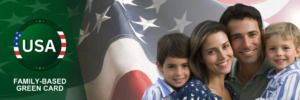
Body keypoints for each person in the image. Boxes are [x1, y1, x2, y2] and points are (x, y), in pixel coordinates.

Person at [219, 3, 272, 100]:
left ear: (263, 34)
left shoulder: (283, 70)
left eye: (252, 34)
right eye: (237, 37)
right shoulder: (220, 72)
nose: (247, 44)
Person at [175, 20, 236, 100]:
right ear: (201, 57)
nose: (223, 56)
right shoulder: (194, 91)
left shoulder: (231, 91)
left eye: (225, 46)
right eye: (212, 51)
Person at [256, 22, 300, 99]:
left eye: (285, 48)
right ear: (265, 53)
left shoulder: (294, 76)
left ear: (297, 52)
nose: (279, 53)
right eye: (272, 49)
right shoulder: (278, 75)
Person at [142, 33, 191, 100]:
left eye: (185, 66)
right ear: (160, 66)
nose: (179, 73)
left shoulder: (196, 90)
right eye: (171, 67)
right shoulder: (153, 93)